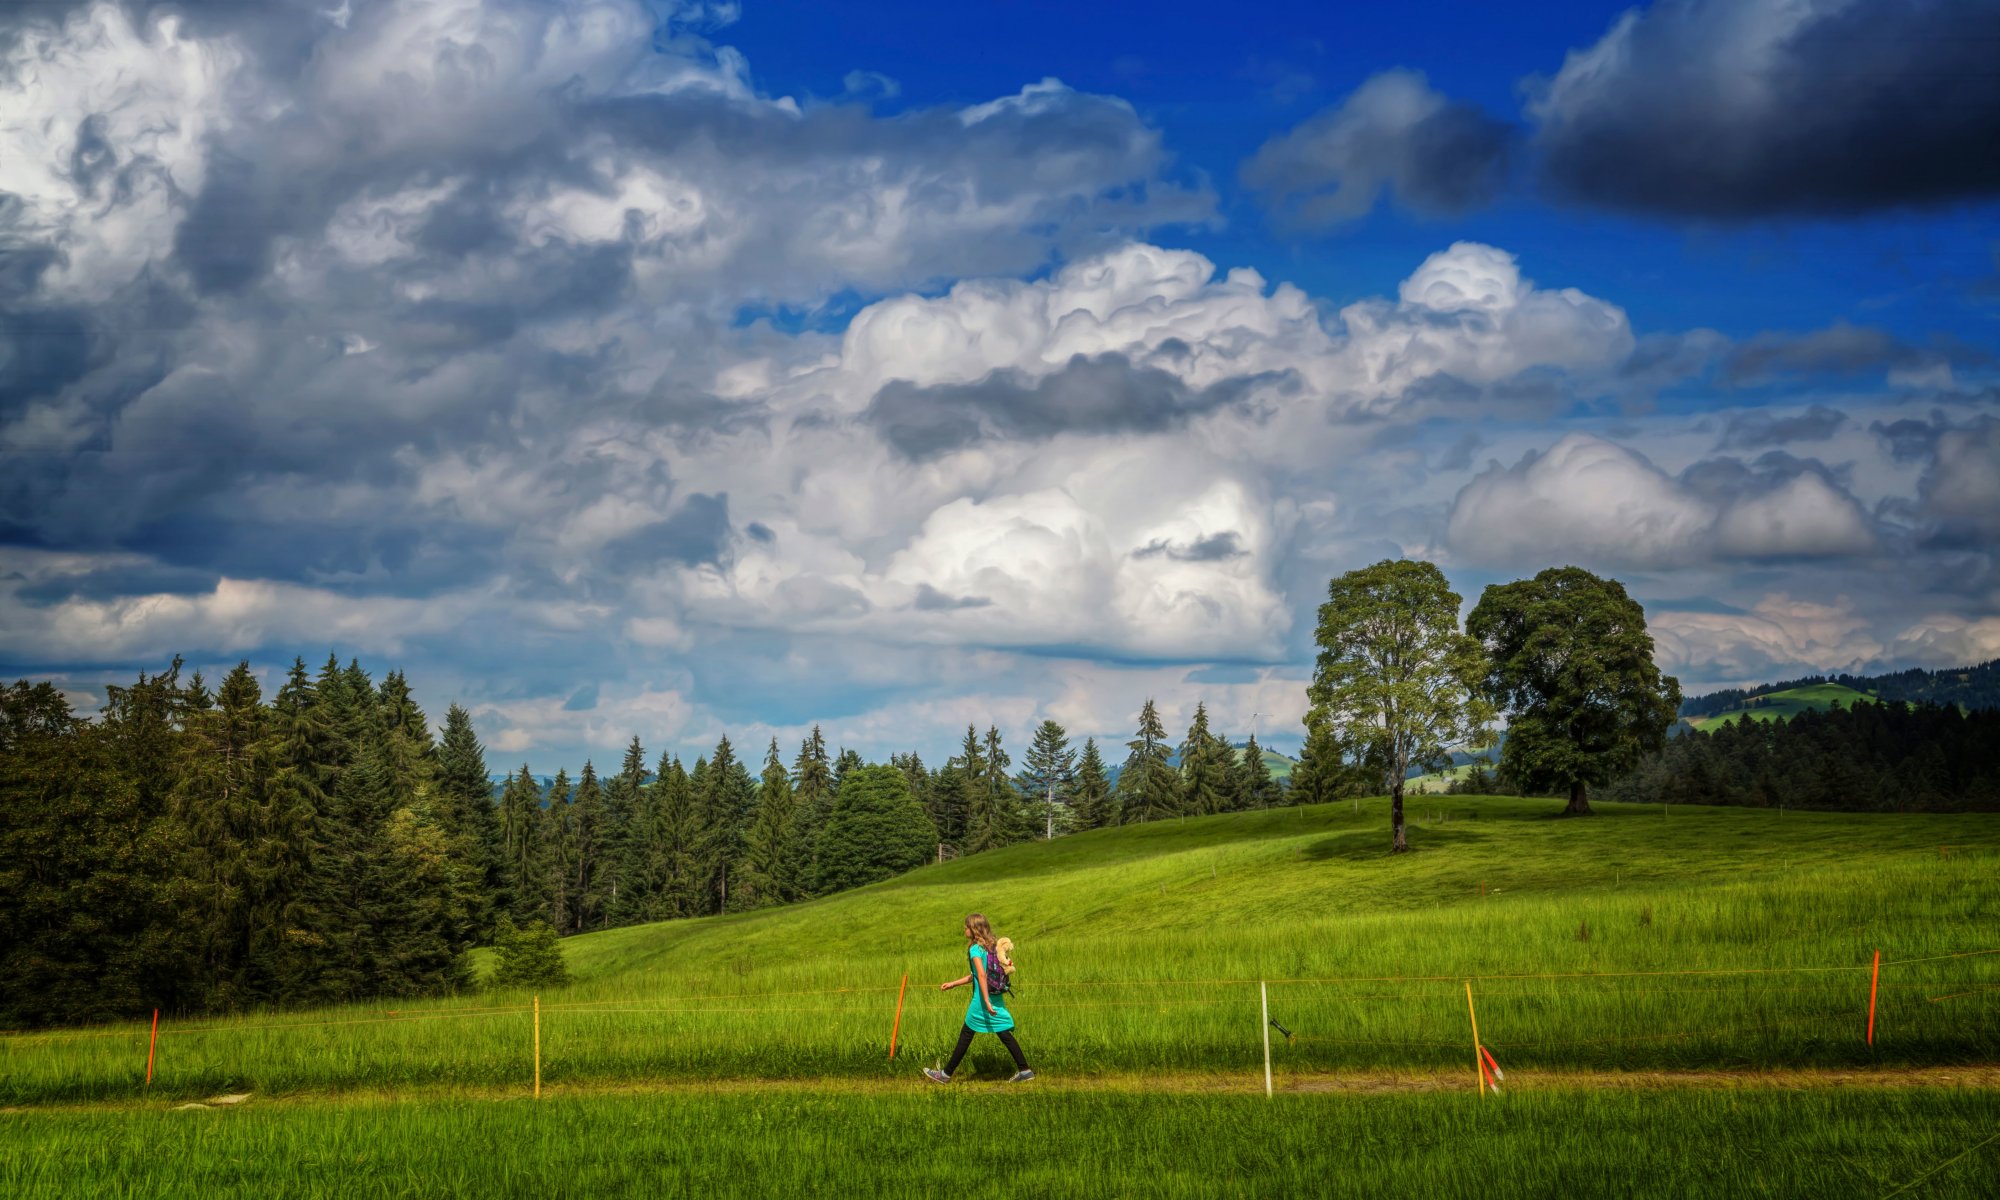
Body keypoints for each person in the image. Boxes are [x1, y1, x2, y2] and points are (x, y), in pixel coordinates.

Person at [924, 912, 1033, 1083]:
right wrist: (954, 983)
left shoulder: (975, 949)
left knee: (966, 1034)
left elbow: (981, 976)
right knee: (1003, 1032)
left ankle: (945, 1074)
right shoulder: (991, 947)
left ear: (974, 930)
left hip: (982, 1000)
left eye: (966, 927)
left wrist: (986, 1001)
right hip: (994, 995)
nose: (964, 929)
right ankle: (1025, 1070)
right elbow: (975, 975)